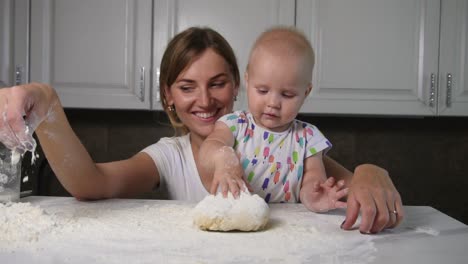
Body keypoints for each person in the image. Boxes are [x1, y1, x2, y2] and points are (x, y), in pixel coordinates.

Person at [0, 26, 403, 234]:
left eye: (218, 83)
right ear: (168, 96)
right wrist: (47, 106)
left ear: (239, 84)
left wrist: (372, 171)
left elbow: (349, 184)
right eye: (187, 87)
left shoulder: (284, 145)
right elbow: (91, 183)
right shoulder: (169, 156)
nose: (205, 101)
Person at [199, 27, 347, 213]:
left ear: (305, 92)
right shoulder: (234, 124)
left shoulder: (309, 137)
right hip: (238, 215)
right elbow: (211, 145)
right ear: (247, 81)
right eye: (262, 90)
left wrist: (314, 196)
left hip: (290, 224)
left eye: (287, 94)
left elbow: (312, 178)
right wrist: (222, 157)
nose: (273, 103)